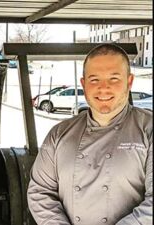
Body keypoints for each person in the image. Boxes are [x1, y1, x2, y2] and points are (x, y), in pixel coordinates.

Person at [27, 43, 152, 225]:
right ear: (84, 84)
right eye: (94, 80)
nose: (103, 88)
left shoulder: (148, 129)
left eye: (114, 79)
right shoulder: (59, 134)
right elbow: (40, 191)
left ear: (129, 81)